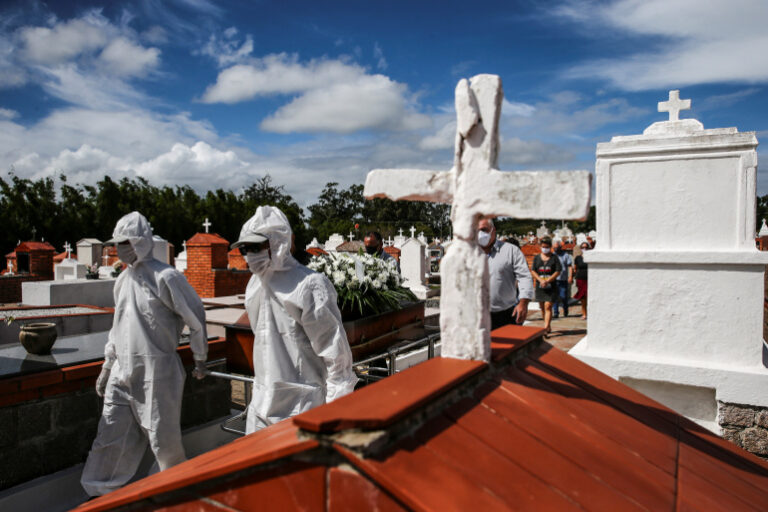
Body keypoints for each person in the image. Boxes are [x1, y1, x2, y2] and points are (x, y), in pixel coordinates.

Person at [81, 212, 209, 497]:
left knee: (164, 442)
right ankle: (98, 493)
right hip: (121, 372)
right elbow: (119, 326)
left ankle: (172, 495)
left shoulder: (166, 277)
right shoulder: (122, 280)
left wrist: (199, 356)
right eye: (117, 244)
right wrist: (107, 365)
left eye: (125, 243)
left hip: (157, 374)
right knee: (110, 435)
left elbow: (195, 317)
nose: (120, 249)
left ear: (140, 242)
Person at [233, 206, 357, 433]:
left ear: (277, 242)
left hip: (301, 407)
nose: (250, 255)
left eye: (256, 247)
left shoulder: (308, 285)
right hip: (260, 402)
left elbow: (335, 354)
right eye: (246, 249)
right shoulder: (255, 285)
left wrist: (334, 413)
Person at [477, 217, 534, 330]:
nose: (480, 234)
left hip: (504, 315)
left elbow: (524, 277)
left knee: (505, 347)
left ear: (493, 230)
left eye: (484, 230)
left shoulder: (511, 251)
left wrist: (523, 303)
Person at [531, 237, 562, 335]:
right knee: (542, 306)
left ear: (550, 247)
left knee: (548, 306)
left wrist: (548, 280)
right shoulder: (537, 258)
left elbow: (558, 271)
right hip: (540, 286)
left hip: (551, 286)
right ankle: (547, 324)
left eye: (547, 247)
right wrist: (540, 280)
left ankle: (545, 327)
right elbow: (533, 270)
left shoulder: (554, 258)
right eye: (543, 247)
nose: (545, 249)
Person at [551, 239, 573, 318]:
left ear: (560, 247)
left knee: (563, 296)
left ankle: (565, 309)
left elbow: (570, 266)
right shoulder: (552, 255)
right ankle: (556, 312)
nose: (555, 249)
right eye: (554, 248)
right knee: (555, 297)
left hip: (563, 279)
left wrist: (570, 276)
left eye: (557, 247)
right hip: (554, 279)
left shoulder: (565, 255)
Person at [573, 242, 590, 319]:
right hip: (580, 278)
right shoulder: (578, 258)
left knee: (589, 296)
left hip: (589, 279)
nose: (584, 249)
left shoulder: (591, 257)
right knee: (582, 297)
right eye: (583, 248)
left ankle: (590, 312)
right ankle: (584, 313)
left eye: (586, 247)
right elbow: (575, 268)